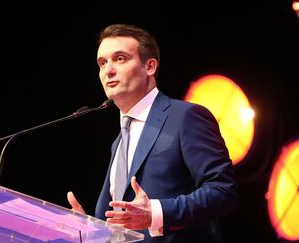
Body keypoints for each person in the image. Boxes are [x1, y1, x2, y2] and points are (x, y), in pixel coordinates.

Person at [67, 23, 238, 242]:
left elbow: (223, 192)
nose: (108, 70)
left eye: (120, 59)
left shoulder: (185, 117)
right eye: (102, 62)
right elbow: (120, 226)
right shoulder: (118, 142)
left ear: (150, 67)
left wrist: (155, 214)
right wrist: (92, 231)